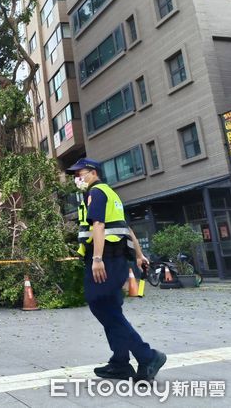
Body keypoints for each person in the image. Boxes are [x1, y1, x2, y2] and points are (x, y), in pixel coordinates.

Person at [67, 158, 167, 382]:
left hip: (106, 262)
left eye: (79, 173)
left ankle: (147, 356)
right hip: (115, 261)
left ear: (92, 172)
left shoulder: (97, 193)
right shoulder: (110, 194)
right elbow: (126, 227)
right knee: (111, 310)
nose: (76, 179)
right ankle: (120, 362)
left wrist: (97, 259)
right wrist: (139, 255)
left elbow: (99, 226)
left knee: (100, 305)